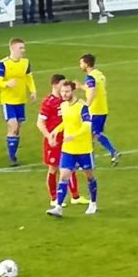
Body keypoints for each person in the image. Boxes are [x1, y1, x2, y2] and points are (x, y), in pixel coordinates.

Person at [45, 81, 99, 217]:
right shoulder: (63, 105)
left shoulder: (82, 106)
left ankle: (93, 203)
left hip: (83, 149)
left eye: (67, 91)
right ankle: (58, 207)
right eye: (62, 91)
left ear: (72, 91)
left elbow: (87, 125)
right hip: (68, 149)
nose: (64, 94)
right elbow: (66, 121)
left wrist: (73, 136)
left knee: (89, 176)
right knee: (63, 176)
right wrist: (56, 130)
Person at [37, 75, 86, 208]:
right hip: (54, 141)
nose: (65, 88)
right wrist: (49, 137)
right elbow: (40, 122)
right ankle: (53, 198)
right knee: (53, 168)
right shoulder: (48, 102)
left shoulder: (66, 102)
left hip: (67, 139)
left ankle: (75, 196)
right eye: (63, 84)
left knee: (69, 167)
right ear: (55, 85)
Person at [0, 38, 37, 167]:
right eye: (20, 48)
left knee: (17, 128)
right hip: (8, 102)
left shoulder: (25, 62)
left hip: (20, 100)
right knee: (13, 126)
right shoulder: (3, 64)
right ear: (12, 48)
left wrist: (33, 91)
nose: (23, 51)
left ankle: (13, 154)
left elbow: (29, 78)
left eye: (23, 48)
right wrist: (7, 83)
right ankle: (12, 157)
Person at [80, 53, 121, 165]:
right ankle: (93, 159)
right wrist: (80, 86)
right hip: (103, 109)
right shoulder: (100, 75)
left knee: (92, 134)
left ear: (86, 64)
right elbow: (94, 88)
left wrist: (86, 105)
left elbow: (92, 91)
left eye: (81, 63)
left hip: (95, 110)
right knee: (94, 134)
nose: (80, 66)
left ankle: (111, 152)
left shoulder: (90, 77)